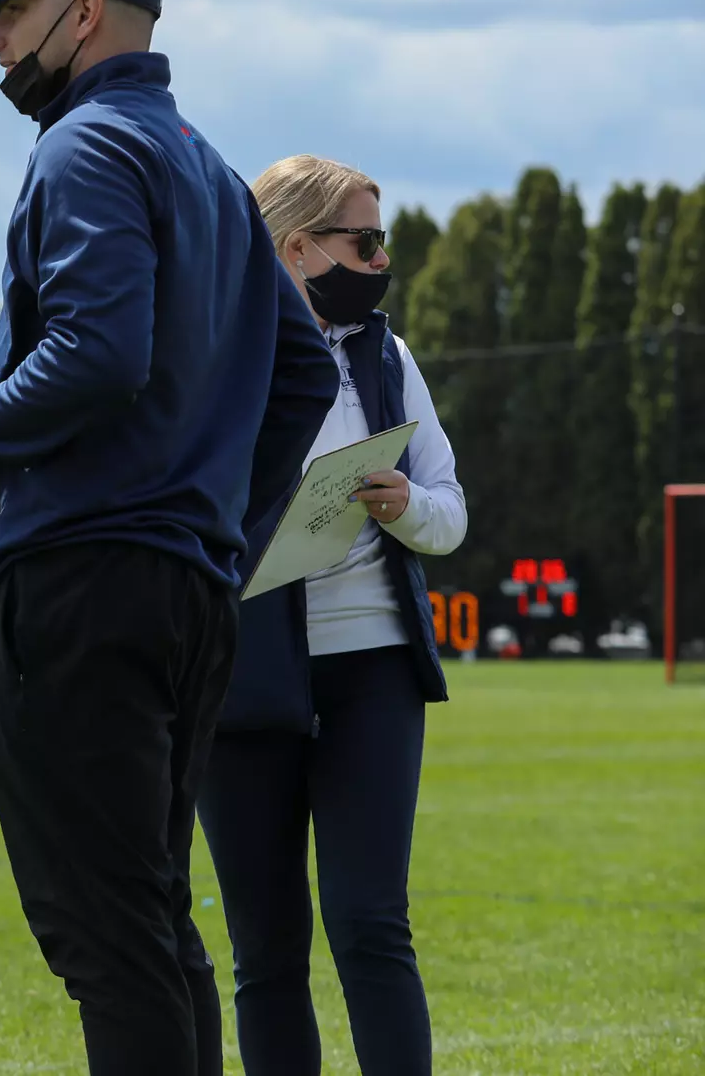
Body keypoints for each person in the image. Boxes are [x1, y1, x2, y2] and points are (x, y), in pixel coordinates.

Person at [0, 0, 340, 1072]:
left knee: (104, 928)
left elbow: (97, 352)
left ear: (82, 9)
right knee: (149, 915)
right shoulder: (209, 165)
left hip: (81, 580)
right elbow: (298, 378)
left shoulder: (83, 146)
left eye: (6, 11)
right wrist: (210, 522)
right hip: (185, 588)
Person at [195, 156, 467, 1076]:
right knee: (265, 949)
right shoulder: (206, 353)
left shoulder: (387, 356)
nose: (381, 260)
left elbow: (450, 509)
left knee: (369, 926)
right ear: (296, 248)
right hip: (241, 670)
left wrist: (403, 507)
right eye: (365, 240)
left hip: (373, 669)